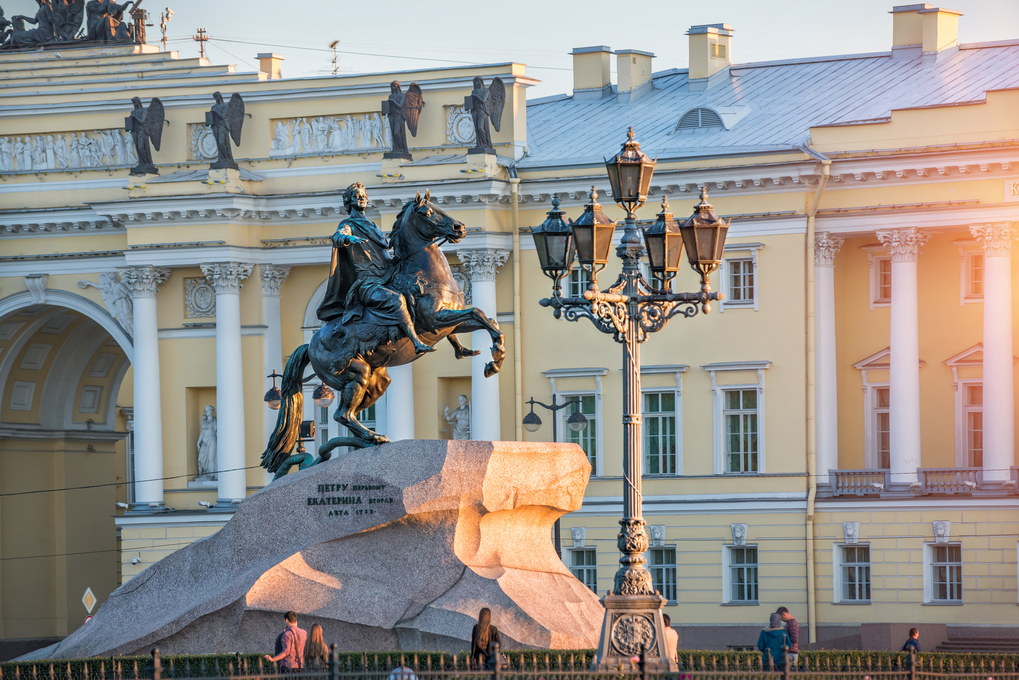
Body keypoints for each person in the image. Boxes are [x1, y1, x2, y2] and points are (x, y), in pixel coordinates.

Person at [317, 182, 435, 355]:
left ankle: (456, 344)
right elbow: (338, 236)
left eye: (363, 195)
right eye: (357, 196)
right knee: (397, 300)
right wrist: (347, 239)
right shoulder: (349, 225)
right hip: (368, 284)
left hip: (387, 277)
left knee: (423, 293)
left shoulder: (373, 226)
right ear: (349, 201)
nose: (361, 198)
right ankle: (416, 342)